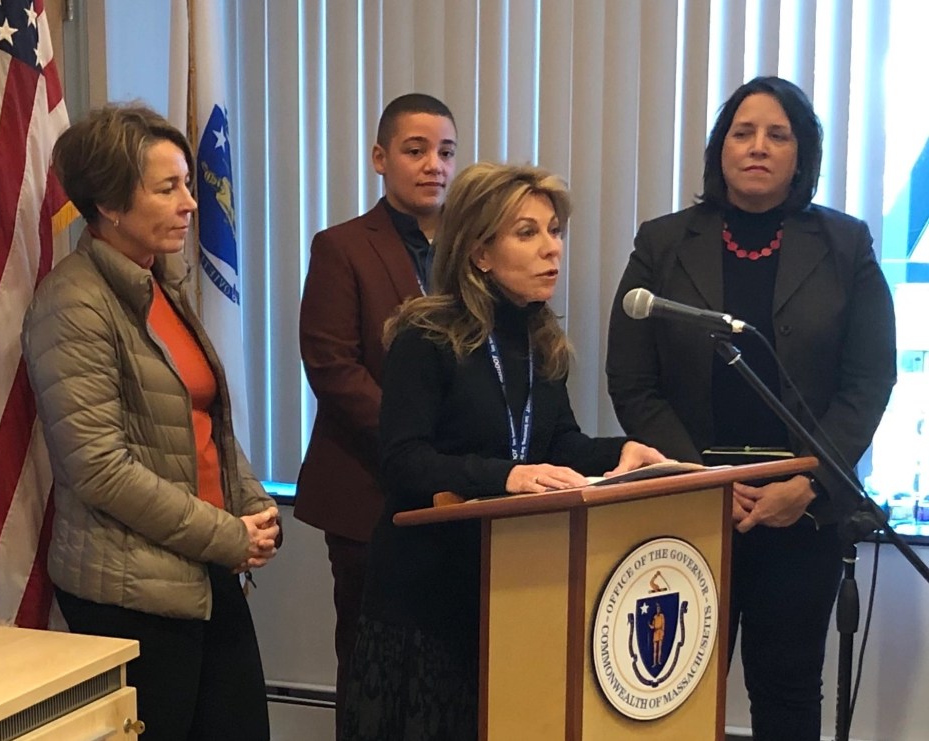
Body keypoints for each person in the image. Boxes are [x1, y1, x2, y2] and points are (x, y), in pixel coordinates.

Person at [606, 76, 896, 740]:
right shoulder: (664, 241)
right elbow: (632, 378)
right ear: (720, 148)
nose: (758, 146)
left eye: (777, 133)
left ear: (803, 153)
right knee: (669, 689)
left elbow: (868, 379)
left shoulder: (845, 246)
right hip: (689, 506)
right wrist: (697, 480)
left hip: (802, 511)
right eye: (742, 131)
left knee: (789, 692)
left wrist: (812, 480)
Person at [341, 162, 666, 740]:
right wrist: (508, 477)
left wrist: (624, 454)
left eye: (555, 231)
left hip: (515, 587)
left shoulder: (538, 338)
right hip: (428, 599)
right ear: (480, 252)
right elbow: (403, 461)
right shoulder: (426, 336)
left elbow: (559, 443)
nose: (552, 250)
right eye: (528, 233)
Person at [22, 103, 280, 741]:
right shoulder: (72, 302)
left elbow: (207, 416)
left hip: (203, 569)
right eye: (168, 188)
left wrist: (253, 509)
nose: (191, 203)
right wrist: (227, 535)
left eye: (188, 184)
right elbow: (99, 469)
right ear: (109, 203)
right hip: (131, 591)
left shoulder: (159, 283)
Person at [295, 92, 457, 736]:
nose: (433, 166)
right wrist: (416, 442)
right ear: (380, 158)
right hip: (368, 491)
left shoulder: (472, 252)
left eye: (446, 152)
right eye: (415, 151)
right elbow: (334, 369)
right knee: (369, 666)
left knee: (443, 669)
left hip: (459, 496)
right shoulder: (342, 247)